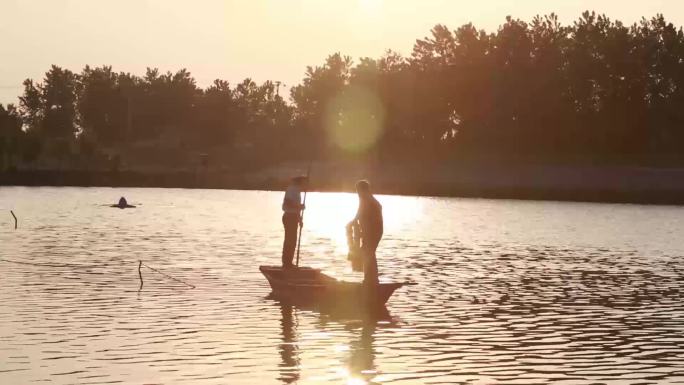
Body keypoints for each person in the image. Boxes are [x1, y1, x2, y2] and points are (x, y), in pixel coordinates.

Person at [348, 180, 383, 285]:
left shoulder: (369, 200)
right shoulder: (364, 198)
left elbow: (366, 213)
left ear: (364, 190)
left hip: (373, 232)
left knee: (369, 253)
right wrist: (354, 221)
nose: (357, 193)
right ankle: (370, 279)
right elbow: (359, 211)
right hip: (368, 232)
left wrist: (364, 229)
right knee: (367, 253)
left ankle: (371, 280)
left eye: (358, 191)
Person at [281, 176, 307, 268]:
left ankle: (288, 262)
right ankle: (286, 262)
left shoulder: (297, 191)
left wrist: (300, 220)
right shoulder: (292, 189)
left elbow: (296, 209)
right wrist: (299, 206)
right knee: (290, 240)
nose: (305, 184)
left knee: (293, 241)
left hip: (294, 217)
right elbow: (288, 203)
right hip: (289, 217)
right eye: (303, 182)